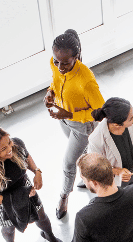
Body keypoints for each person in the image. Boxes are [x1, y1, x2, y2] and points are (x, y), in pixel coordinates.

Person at [0, 126, 66, 242]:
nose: (9, 150)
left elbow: (27, 157)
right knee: (8, 228)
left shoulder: (17, 145)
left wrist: (37, 172)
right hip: (3, 200)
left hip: (25, 188)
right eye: (3, 149)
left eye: (9, 143)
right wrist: (17, 197)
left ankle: (49, 235)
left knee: (41, 216)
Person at [44, 29, 106, 220]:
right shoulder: (55, 63)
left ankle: (64, 196)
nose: (59, 66)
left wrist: (70, 113)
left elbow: (101, 113)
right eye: (56, 61)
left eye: (65, 63)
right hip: (63, 119)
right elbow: (56, 81)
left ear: (76, 57)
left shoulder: (86, 80)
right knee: (85, 152)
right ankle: (88, 176)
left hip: (81, 125)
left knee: (69, 162)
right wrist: (50, 93)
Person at [88, 97, 133, 190]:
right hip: (117, 183)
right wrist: (118, 171)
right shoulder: (96, 139)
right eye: (131, 119)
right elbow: (96, 167)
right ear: (116, 125)